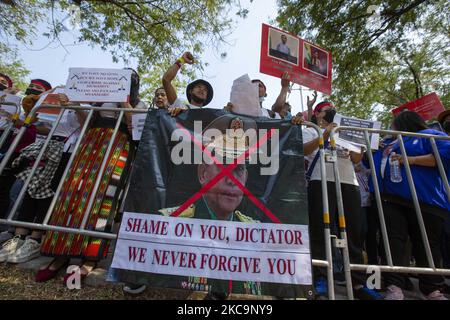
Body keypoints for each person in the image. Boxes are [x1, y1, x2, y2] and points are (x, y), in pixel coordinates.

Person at [33, 69, 146, 283]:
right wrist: (74, 106)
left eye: (131, 78)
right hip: (90, 144)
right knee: (73, 193)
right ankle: (60, 253)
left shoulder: (139, 104)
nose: (126, 79)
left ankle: (89, 257)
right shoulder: (99, 100)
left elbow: (136, 129)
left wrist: (123, 101)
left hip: (118, 147)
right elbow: (85, 123)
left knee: (103, 197)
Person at [302, 100, 382, 300]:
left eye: (332, 110)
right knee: (320, 229)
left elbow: (356, 159)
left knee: (355, 231)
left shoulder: (344, 129)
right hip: (321, 179)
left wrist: (354, 141)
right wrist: (326, 133)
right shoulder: (311, 129)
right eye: (325, 110)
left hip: (348, 182)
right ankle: (320, 279)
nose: (329, 112)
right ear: (318, 115)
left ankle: (357, 281)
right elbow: (304, 151)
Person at [370, 111, 449, 300]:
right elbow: (368, 162)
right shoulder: (389, 143)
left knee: (427, 245)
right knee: (393, 242)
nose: (391, 128)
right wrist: (373, 148)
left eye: (393, 124)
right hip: (391, 199)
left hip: (425, 199)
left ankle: (431, 289)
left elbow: (444, 156)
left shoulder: (429, 136)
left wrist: (411, 160)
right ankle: (394, 286)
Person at [0, 91, 85, 263]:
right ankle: (19, 237)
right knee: (30, 189)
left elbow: (85, 125)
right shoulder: (56, 96)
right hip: (45, 146)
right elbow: (44, 127)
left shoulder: (86, 102)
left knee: (47, 193)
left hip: (66, 150)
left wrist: (74, 106)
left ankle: (35, 239)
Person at [162, 51, 213, 117]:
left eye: (205, 90)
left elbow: (197, 127)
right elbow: (166, 80)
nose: (202, 90)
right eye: (199, 87)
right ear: (190, 91)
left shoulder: (208, 116)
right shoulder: (179, 107)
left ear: (206, 97)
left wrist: (229, 114)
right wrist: (182, 60)